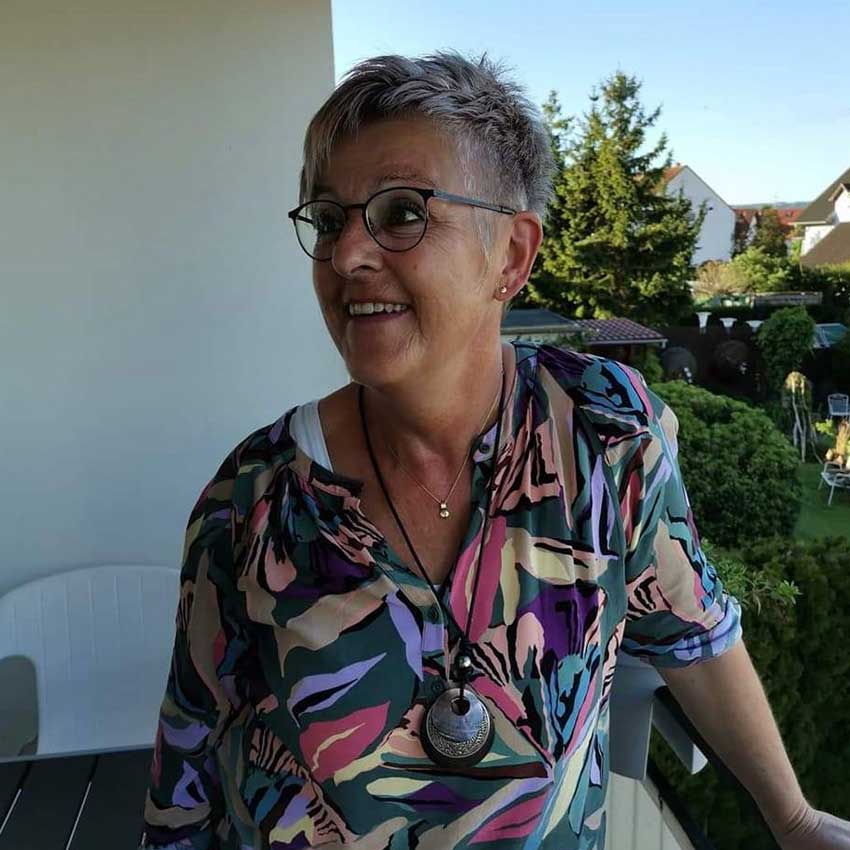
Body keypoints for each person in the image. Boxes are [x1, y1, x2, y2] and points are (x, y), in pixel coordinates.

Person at [140, 52, 850, 850]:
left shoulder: (604, 433)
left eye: (401, 213)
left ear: (511, 255)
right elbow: (187, 766)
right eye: (331, 220)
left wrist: (793, 818)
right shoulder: (254, 499)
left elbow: (692, 633)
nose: (345, 257)